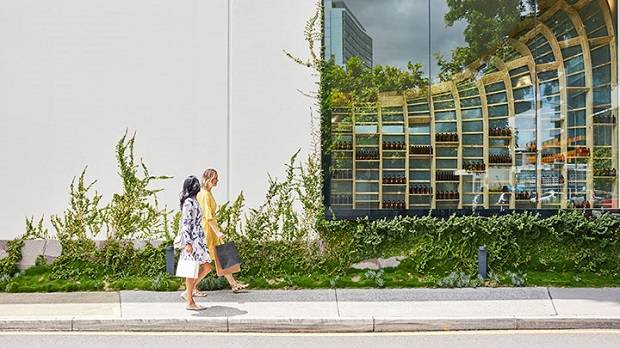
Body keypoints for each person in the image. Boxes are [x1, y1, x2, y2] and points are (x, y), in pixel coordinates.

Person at [197, 168, 248, 293]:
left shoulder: (207, 192)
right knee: (203, 260)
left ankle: (234, 284)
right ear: (208, 179)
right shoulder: (203, 194)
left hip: (212, 230)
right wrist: (217, 232)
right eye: (215, 178)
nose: (217, 180)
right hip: (208, 231)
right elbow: (208, 216)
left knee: (222, 256)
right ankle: (191, 288)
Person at [179, 176, 212, 310]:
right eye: (195, 184)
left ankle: (188, 292)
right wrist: (188, 243)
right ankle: (190, 302)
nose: (197, 185)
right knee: (190, 270)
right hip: (192, 240)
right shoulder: (188, 202)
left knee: (207, 267)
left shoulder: (194, 201)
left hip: (198, 239)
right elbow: (186, 223)